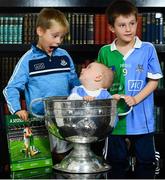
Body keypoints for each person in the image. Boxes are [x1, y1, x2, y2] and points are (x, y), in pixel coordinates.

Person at [3, 8, 80, 163]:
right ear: (40, 31)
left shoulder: (65, 56)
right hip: (40, 122)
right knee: (43, 160)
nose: (58, 41)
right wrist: (17, 109)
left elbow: (75, 84)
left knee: (65, 160)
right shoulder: (28, 60)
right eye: (55, 36)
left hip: (64, 120)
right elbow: (10, 88)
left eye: (62, 37)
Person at [97, 0, 163, 168]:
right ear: (112, 28)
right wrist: (109, 96)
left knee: (146, 163)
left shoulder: (147, 49)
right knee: (116, 164)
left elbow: (154, 81)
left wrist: (135, 99)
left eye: (132, 23)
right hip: (114, 121)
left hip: (142, 119)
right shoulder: (105, 52)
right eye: (122, 25)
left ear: (137, 23)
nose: (128, 29)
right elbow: (100, 84)